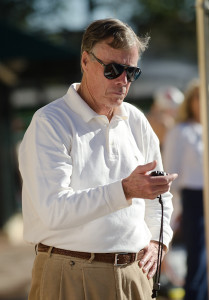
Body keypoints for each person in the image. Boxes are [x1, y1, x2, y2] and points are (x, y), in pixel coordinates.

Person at [18, 18, 178, 300]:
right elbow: (54, 210)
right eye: (113, 69)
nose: (122, 80)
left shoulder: (136, 120)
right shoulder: (50, 122)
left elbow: (159, 197)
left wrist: (158, 241)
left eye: (131, 72)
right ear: (85, 61)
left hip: (135, 275)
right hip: (69, 274)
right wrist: (126, 190)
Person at [163, 79, 208, 300]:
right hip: (192, 198)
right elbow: (170, 170)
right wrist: (174, 208)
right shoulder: (180, 131)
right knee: (197, 257)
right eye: (200, 97)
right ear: (191, 101)